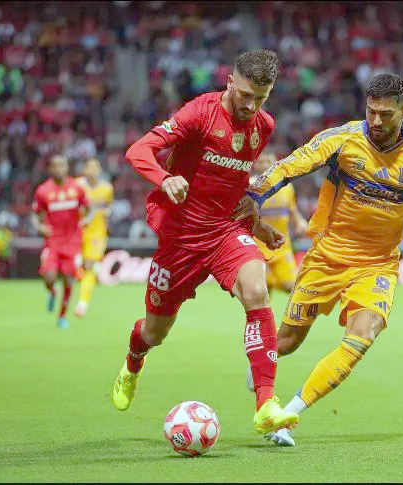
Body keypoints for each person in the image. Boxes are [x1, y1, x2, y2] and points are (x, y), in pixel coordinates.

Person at [235, 73, 403, 445]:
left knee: (363, 335)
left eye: (386, 114)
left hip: (378, 264)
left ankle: (288, 415)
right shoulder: (343, 139)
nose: (377, 121)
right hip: (327, 258)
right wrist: (255, 197)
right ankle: (262, 365)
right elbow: (290, 165)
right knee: (286, 342)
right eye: (371, 111)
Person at [111, 49, 299, 435]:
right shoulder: (200, 112)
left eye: (260, 98)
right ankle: (133, 361)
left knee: (257, 290)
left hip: (225, 232)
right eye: (245, 94)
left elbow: (230, 183)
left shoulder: (264, 125)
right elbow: (138, 150)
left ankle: (266, 404)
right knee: (154, 332)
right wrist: (164, 178)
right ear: (230, 81)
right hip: (180, 238)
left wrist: (256, 222)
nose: (250, 105)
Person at [30, 155, 92, 329]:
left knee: (68, 279)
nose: (59, 169)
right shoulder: (43, 191)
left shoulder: (77, 188)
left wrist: (86, 219)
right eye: (55, 166)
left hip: (73, 241)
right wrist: (40, 227)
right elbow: (35, 214)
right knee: (48, 277)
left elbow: (89, 209)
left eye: (62, 165)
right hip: (53, 241)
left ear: (67, 167)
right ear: (50, 169)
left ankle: (62, 316)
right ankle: (51, 291)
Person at [250, 151, 308, 294]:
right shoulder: (250, 186)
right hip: (258, 246)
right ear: (256, 164)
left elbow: (292, 211)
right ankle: (262, 316)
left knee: (291, 286)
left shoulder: (286, 187)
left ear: (274, 164)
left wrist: (300, 222)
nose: (264, 165)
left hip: (282, 245)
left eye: (267, 162)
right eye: (260, 162)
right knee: (262, 290)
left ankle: (294, 315)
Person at [74, 158, 114, 317]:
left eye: (96, 167)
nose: (92, 170)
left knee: (89, 264)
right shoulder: (77, 185)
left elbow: (108, 207)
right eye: (89, 167)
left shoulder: (106, 188)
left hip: (97, 233)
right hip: (77, 231)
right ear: (84, 169)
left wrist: (107, 214)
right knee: (76, 267)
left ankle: (82, 303)